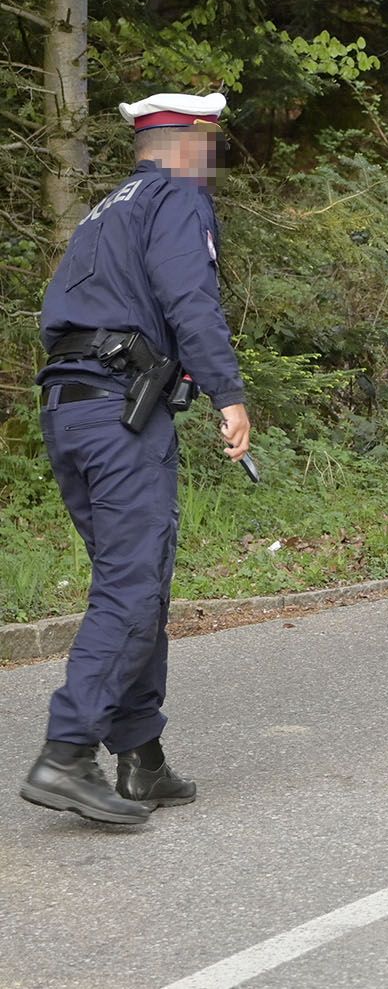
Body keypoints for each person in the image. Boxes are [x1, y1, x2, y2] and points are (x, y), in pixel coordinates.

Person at [18, 91, 251, 826]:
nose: (210, 159)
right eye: (206, 143)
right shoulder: (177, 200)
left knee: (136, 581)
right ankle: (66, 753)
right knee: (131, 584)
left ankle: (140, 755)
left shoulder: (105, 210)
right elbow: (190, 298)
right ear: (183, 143)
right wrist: (229, 393)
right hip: (120, 414)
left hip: (71, 410)